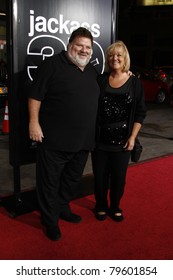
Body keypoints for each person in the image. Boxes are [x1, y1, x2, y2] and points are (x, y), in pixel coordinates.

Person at [28, 27, 100, 241]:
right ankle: (49, 220)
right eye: (80, 45)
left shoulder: (92, 71)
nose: (84, 50)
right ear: (70, 45)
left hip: (83, 141)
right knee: (49, 182)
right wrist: (34, 123)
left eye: (88, 47)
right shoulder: (51, 65)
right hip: (54, 140)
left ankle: (62, 209)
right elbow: (35, 96)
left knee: (71, 181)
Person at [92, 40, 146, 222]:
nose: (115, 58)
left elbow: (140, 112)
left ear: (125, 59)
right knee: (99, 177)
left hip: (123, 141)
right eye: (111, 55)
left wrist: (132, 137)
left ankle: (115, 206)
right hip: (100, 140)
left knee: (118, 178)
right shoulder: (100, 80)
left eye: (119, 55)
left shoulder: (134, 83)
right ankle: (100, 205)